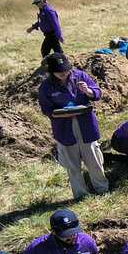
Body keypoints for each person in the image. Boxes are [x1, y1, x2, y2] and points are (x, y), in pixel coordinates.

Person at [38, 53, 109, 200]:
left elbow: (97, 93)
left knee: (94, 160)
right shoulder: (46, 87)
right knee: (73, 165)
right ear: (51, 72)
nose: (63, 73)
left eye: (65, 69)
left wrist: (88, 91)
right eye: (59, 71)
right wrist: (59, 113)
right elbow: (46, 109)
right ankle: (81, 195)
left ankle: (102, 189)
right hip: (64, 128)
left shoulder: (81, 76)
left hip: (86, 124)